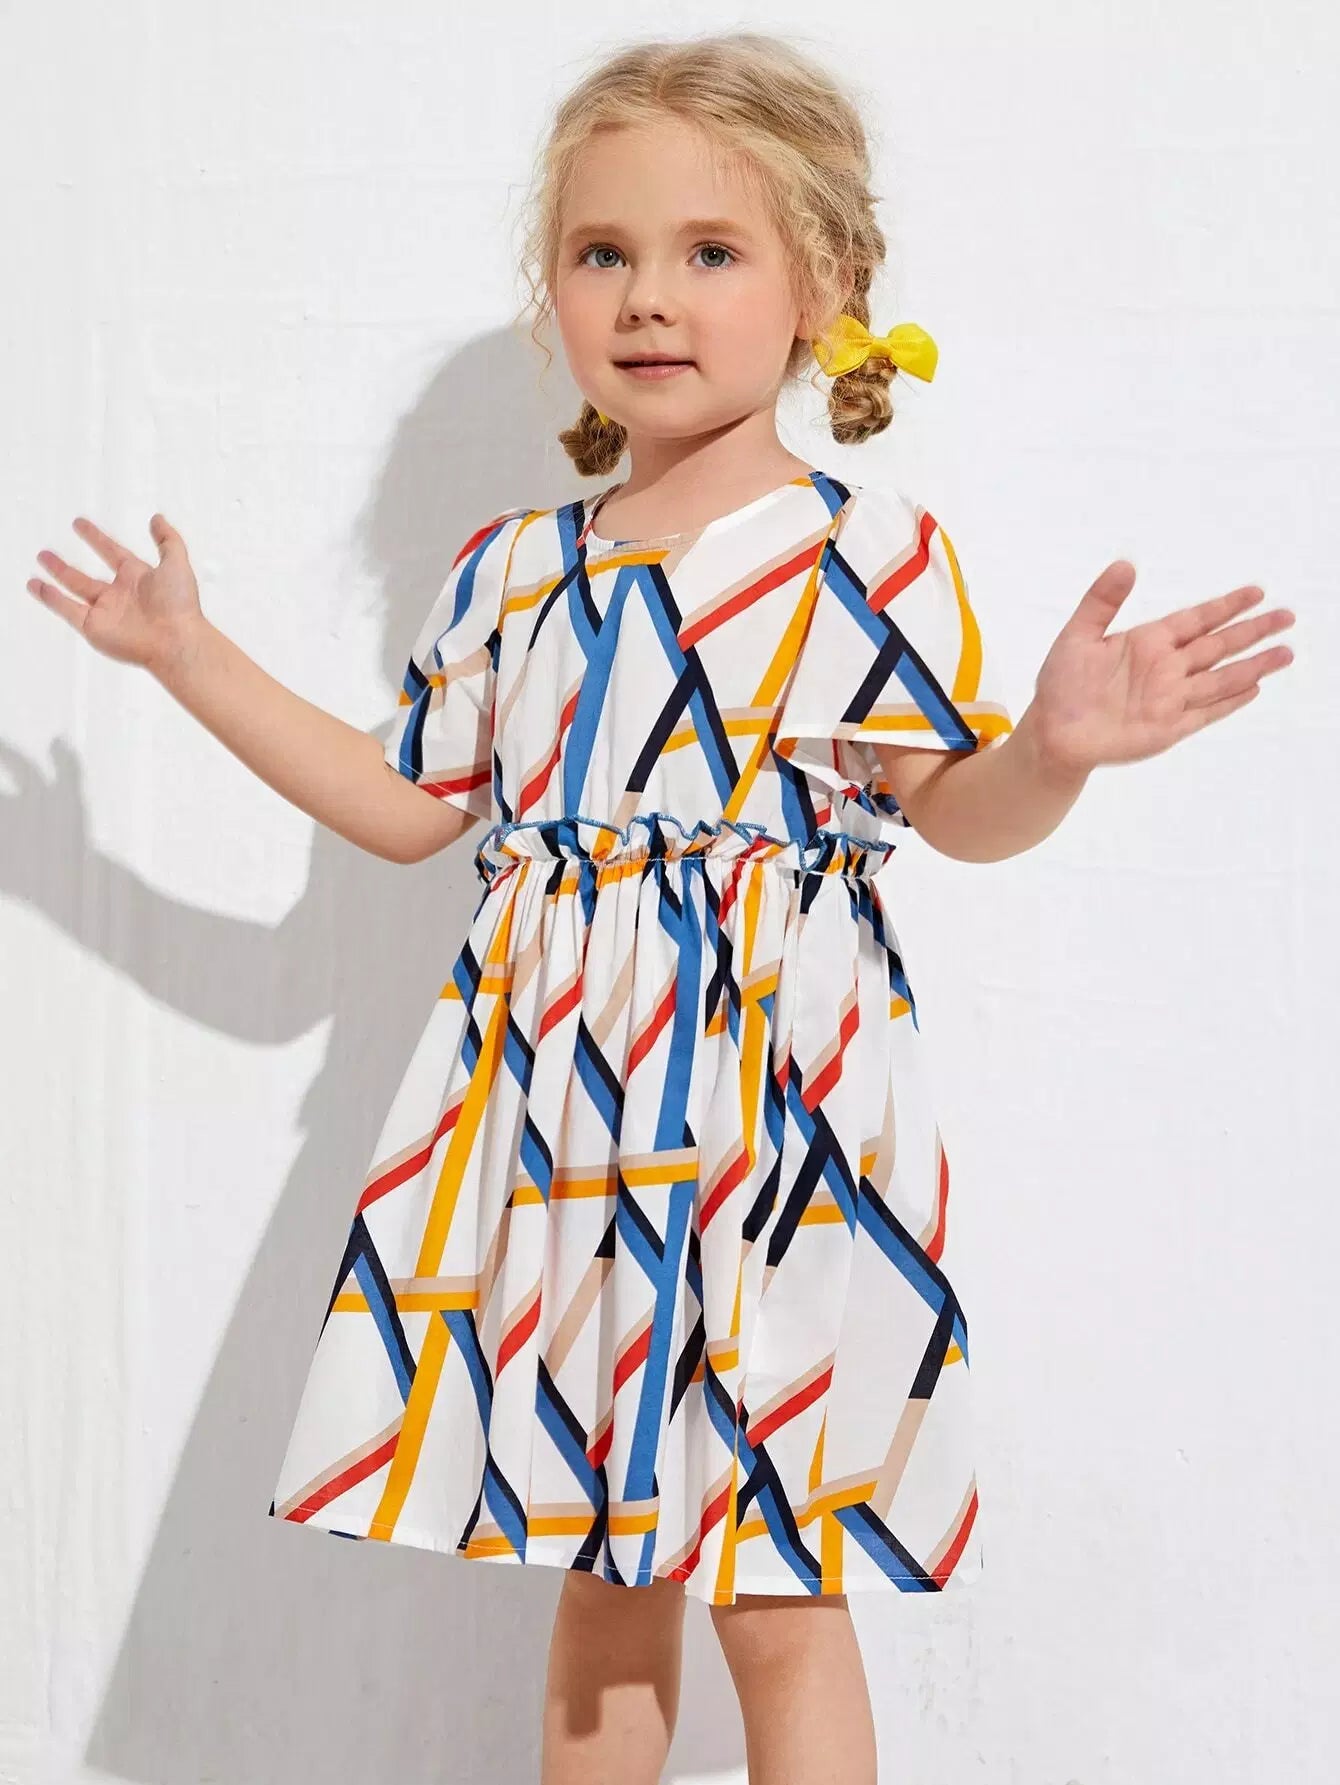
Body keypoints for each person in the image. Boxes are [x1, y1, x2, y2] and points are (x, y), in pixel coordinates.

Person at [26, 30, 1295, 1785]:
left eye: (710, 251)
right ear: (551, 292)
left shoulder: (866, 553)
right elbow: (406, 808)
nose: (647, 296)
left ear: (824, 289)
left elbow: (957, 813)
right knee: (602, 1568)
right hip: (563, 1122)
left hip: (780, 1129)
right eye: (601, 252)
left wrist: (1056, 751)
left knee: (778, 1582)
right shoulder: (511, 573)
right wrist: (191, 657)